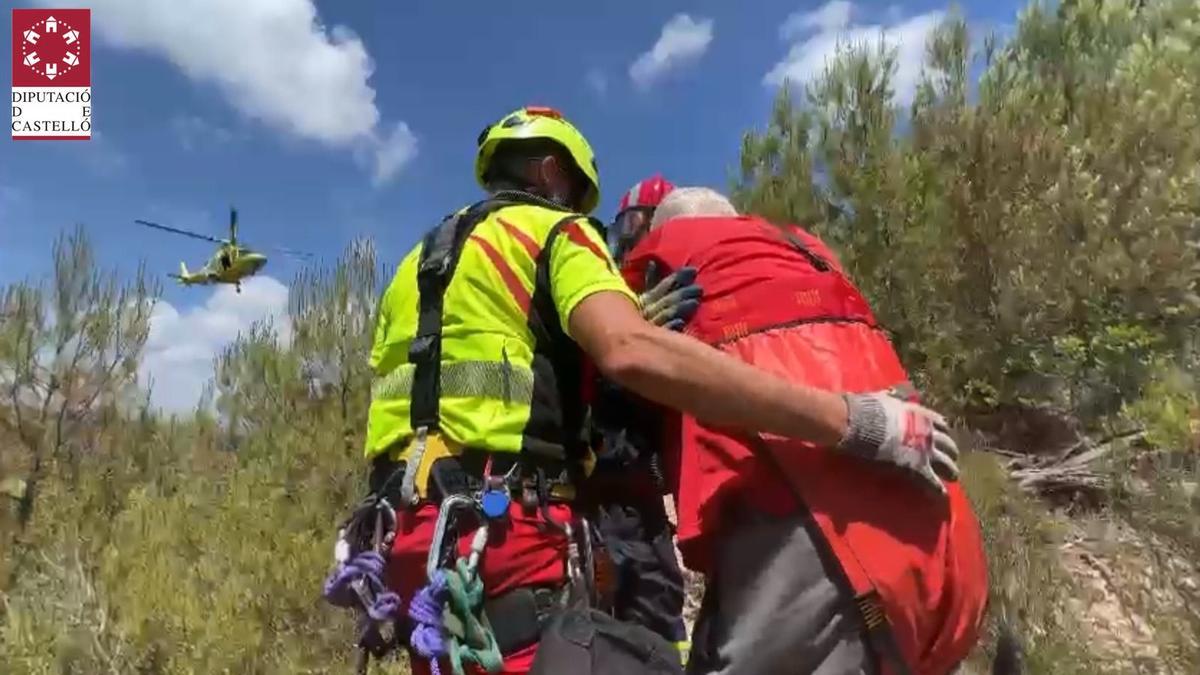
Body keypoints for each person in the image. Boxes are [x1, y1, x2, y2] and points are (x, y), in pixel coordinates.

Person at [332, 106, 963, 675]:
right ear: (553, 172)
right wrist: (855, 421)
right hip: (505, 537)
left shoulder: (419, 264)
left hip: (403, 540)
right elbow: (629, 350)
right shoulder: (554, 232)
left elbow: (472, 389)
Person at [619, 187, 989, 675]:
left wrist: (631, 335)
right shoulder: (809, 257)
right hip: (945, 538)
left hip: (816, 545)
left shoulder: (665, 272)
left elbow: (623, 390)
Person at [583, 173, 689, 660]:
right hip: (594, 494)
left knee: (659, 618)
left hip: (644, 499)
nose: (632, 237)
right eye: (628, 226)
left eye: (640, 225)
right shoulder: (596, 286)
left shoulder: (685, 286)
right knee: (594, 623)